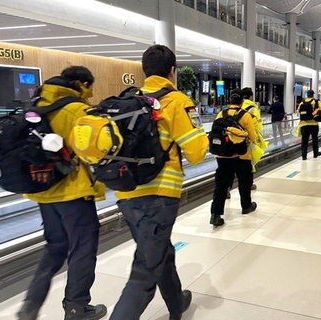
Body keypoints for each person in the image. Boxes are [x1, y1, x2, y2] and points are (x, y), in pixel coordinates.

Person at [110, 45, 209, 320]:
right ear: (172, 71)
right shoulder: (176, 101)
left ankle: (176, 302)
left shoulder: (128, 100)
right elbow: (197, 152)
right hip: (160, 195)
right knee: (144, 271)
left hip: (127, 193)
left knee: (158, 250)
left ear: (144, 70)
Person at [17, 67, 107, 320]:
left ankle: (31, 303)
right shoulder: (77, 110)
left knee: (55, 247)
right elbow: (94, 151)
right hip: (73, 193)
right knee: (83, 249)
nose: (91, 92)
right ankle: (77, 307)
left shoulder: (35, 105)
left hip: (43, 192)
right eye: (90, 86)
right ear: (81, 84)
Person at [210, 89, 258, 227]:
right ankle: (246, 206)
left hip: (222, 154)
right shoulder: (246, 115)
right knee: (244, 181)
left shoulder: (221, 113)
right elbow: (253, 137)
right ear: (242, 102)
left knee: (221, 184)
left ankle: (215, 214)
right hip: (241, 155)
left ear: (230, 101)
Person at [297, 90, 321, 160]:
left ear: (307, 95)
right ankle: (315, 154)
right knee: (314, 139)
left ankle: (304, 155)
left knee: (304, 140)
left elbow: (298, 112)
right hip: (313, 123)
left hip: (303, 124)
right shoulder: (316, 101)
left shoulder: (302, 103)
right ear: (313, 95)